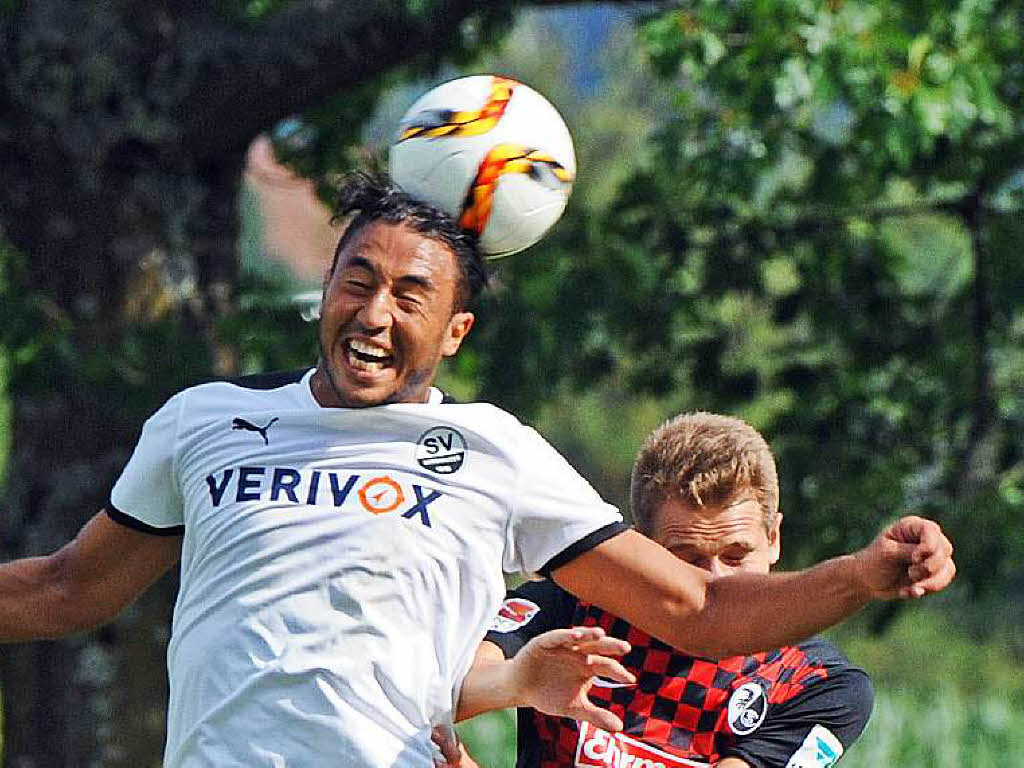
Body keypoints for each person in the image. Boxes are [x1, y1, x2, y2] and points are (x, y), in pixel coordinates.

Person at [0, 173, 954, 768]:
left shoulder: (498, 451)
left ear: (455, 332)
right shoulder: (205, 420)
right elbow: (68, 588)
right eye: (357, 280)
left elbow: (699, 613)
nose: (374, 313)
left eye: (410, 295)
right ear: (324, 291)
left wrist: (862, 575)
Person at [465, 412, 876, 768]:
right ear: (642, 549)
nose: (715, 581)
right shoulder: (572, 610)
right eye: (687, 559)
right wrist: (515, 681)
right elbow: (447, 686)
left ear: (773, 539)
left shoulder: (817, 682)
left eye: (736, 556)